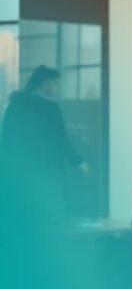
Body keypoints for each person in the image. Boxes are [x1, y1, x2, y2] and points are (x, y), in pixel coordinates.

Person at [1, 65, 88, 222]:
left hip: (18, 170)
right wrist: (79, 162)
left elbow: (7, 138)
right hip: (47, 169)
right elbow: (59, 140)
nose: (57, 88)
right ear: (46, 82)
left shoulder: (14, 106)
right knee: (50, 214)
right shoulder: (50, 108)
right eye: (55, 83)